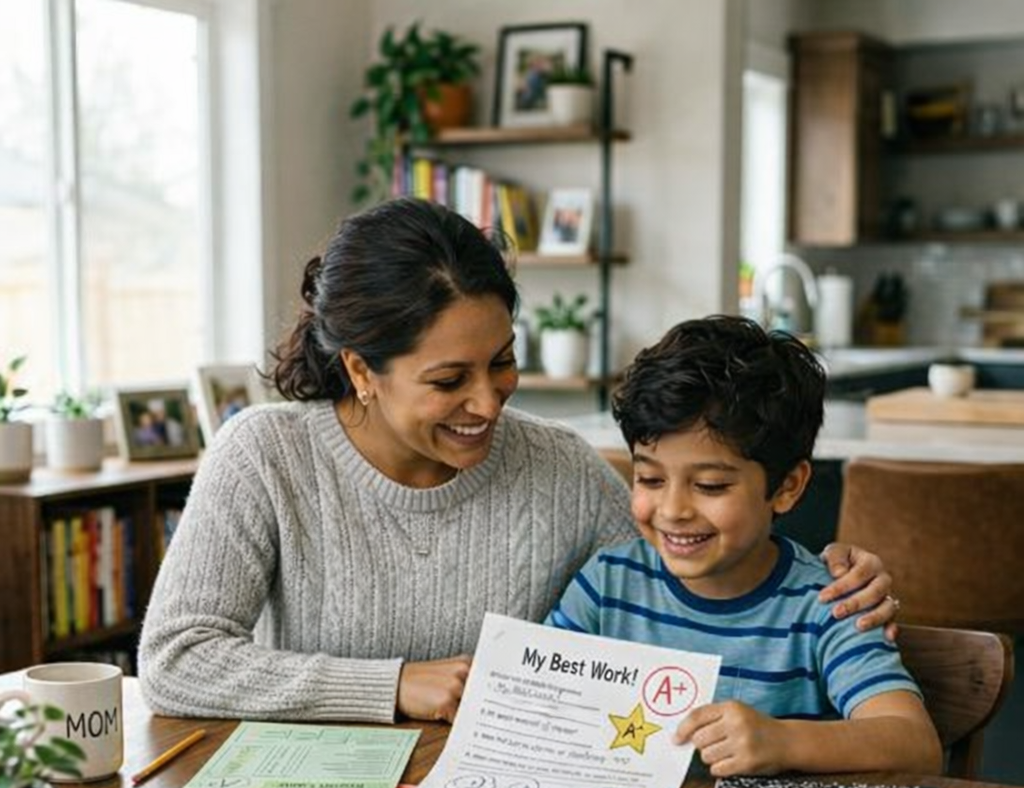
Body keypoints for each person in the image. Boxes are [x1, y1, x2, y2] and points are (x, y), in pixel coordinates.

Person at [138, 198, 897, 726]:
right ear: (362, 371)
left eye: (501, 362)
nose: (488, 402)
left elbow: (684, 572)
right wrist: (392, 686)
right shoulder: (265, 454)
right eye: (449, 380)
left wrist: (827, 573)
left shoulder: (559, 468)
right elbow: (176, 661)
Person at [545, 316, 942, 775]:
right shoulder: (606, 584)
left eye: (710, 486)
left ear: (788, 486)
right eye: (650, 478)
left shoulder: (828, 604)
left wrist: (784, 740)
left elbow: (917, 744)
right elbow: (538, 701)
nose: (673, 509)